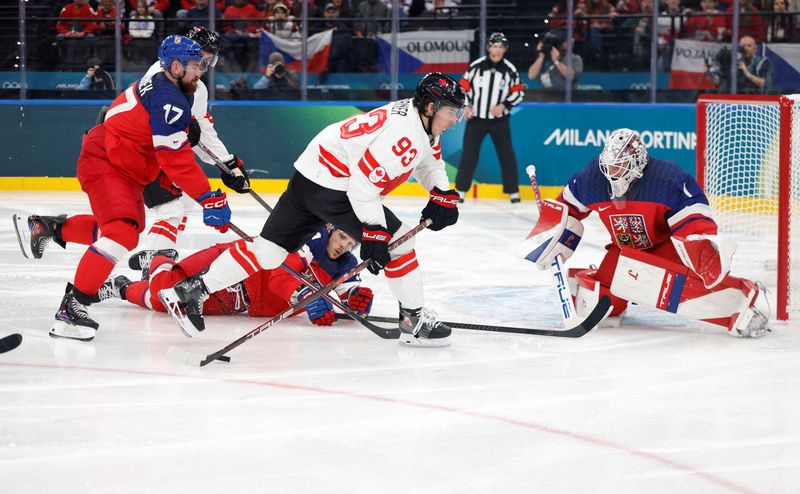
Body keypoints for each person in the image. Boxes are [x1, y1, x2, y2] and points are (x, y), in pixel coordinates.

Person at [160, 72, 466, 347]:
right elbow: (363, 187)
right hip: (337, 187)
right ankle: (413, 321)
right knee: (401, 243)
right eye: (452, 111)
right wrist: (374, 232)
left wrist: (442, 193)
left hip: (309, 176)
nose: (456, 119)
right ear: (430, 107)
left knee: (268, 251)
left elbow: (429, 157)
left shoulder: (416, 119)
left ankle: (192, 289)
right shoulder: (407, 135)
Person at [14, 35, 234, 342]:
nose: (201, 71)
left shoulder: (171, 83)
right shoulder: (169, 97)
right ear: (175, 66)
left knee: (123, 230)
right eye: (196, 65)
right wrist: (209, 197)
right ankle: (72, 307)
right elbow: (175, 158)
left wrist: (208, 154)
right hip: (107, 159)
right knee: (121, 232)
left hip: (124, 161)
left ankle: (50, 228)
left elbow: (172, 145)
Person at [522, 128, 770, 338]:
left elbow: (694, 219)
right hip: (624, 253)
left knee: (691, 284)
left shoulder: (665, 179)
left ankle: (742, 303)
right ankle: (607, 290)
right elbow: (566, 209)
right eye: (609, 166)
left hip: (664, 249)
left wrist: (701, 246)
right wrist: (554, 235)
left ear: (637, 161)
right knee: (601, 303)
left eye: (619, 166)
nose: (612, 173)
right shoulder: (593, 178)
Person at [130, 26, 251, 276]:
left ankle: (153, 261)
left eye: (210, 57)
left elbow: (202, 129)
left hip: (154, 150)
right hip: (144, 150)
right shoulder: (164, 72)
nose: (205, 62)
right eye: (203, 55)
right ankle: (154, 265)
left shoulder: (195, 85)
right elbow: (176, 125)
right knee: (170, 209)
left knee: (183, 202)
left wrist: (227, 163)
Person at [103, 226, 374, 326]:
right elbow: (277, 274)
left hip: (239, 301)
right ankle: (157, 262)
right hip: (228, 265)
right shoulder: (306, 239)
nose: (343, 247)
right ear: (330, 229)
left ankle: (127, 284)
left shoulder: (343, 264)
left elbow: (348, 294)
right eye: (341, 237)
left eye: (350, 244)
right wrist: (301, 295)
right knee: (164, 294)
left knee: (169, 304)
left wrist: (356, 301)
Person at [456, 32, 524, 204]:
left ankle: (513, 192)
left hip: (499, 120)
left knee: (506, 155)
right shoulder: (475, 66)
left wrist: (504, 105)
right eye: (494, 46)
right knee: (469, 155)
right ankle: (460, 191)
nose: (497, 50)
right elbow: (462, 89)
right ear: (488, 47)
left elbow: (519, 93)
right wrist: (467, 106)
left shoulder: (510, 69)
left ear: (505, 49)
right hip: (476, 119)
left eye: (501, 46)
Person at [705, 35, 771, 93]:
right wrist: (708, 73)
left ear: (755, 48)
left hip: (752, 101)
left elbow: (765, 84)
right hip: (731, 100)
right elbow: (718, 82)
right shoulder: (732, 64)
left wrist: (748, 74)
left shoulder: (761, 62)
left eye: (749, 45)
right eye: (743, 46)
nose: (745, 48)